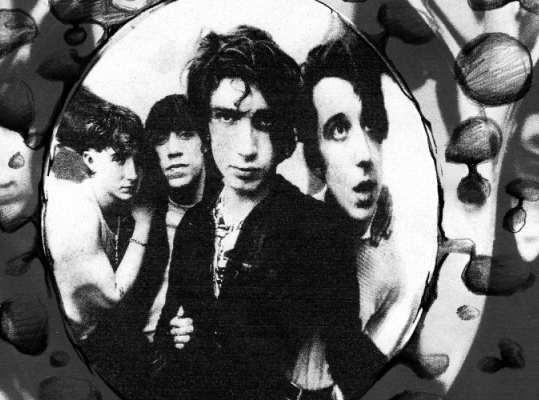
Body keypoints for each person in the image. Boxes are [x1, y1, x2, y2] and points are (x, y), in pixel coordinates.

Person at [153, 26, 386, 400]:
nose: (247, 148)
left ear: (284, 132)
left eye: (264, 121)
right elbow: (168, 334)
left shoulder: (317, 227)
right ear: (206, 125)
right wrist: (176, 335)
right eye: (228, 117)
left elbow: (346, 349)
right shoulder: (194, 224)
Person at [44, 88, 187, 399]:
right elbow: (111, 295)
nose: (133, 174)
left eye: (137, 160)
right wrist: (144, 224)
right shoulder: (77, 212)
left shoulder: (99, 197)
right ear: (90, 159)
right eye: (120, 160)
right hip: (55, 353)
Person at [300, 33, 417, 367]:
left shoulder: (392, 272)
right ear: (316, 159)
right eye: (339, 130)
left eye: (371, 126)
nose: (365, 155)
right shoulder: (290, 231)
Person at [143, 94, 221, 341]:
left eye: (185, 135)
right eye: (160, 140)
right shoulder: (142, 213)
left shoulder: (229, 211)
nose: (172, 150)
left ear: (205, 142)